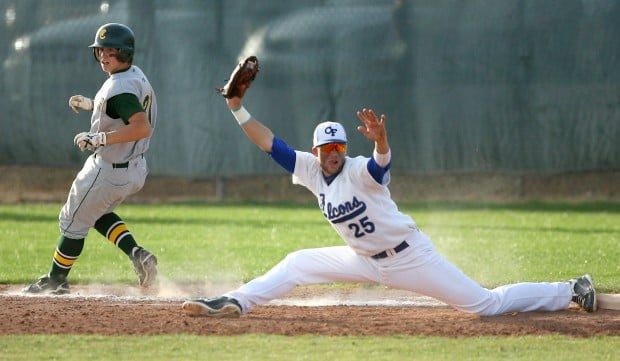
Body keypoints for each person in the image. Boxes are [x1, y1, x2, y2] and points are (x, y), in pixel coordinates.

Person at [182, 94, 597, 318]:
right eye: (327, 147)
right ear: (316, 149)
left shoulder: (359, 169)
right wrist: (237, 108)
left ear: (346, 148)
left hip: (409, 257)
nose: (333, 154)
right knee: (296, 263)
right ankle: (235, 301)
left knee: (484, 306)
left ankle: (570, 290)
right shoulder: (309, 169)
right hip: (361, 259)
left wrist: (380, 139)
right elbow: (270, 143)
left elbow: (382, 165)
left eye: (339, 146)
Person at [23, 23, 158, 294]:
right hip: (133, 168)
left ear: (125, 52)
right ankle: (138, 254)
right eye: (101, 51)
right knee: (97, 212)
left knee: (72, 221)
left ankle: (56, 280)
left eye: (111, 51)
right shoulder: (135, 75)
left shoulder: (119, 87)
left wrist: (100, 139)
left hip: (109, 168)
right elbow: (121, 106)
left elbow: (142, 126)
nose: (104, 56)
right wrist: (92, 103)